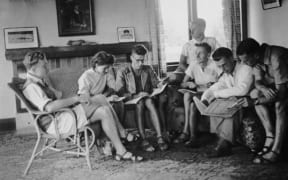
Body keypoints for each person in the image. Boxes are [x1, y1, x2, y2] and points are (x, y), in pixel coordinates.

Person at [22, 51, 142, 161]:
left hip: (63, 115)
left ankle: (121, 150)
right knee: (100, 99)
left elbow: (58, 96)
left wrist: (52, 89)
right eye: (44, 66)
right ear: (33, 68)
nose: (47, 68)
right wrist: (76, 98)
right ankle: (122, 135)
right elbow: (50, 107)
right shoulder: (31, 86)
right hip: (56, 123)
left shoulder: (39, 81)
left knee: (104, 110)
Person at [237, 38, 288, 164]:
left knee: (279, 105)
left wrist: (255, 102)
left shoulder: (276, 57)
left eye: (247, 61)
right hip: (281, 86)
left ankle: (276, 151)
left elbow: (281, 94)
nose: (246, 64)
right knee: (255, 93)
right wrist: (263, 88)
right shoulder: (257, 59)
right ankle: (270, 135)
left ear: (255, 55)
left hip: (284, 89)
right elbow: (258, 81)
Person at [198, 47, 253, 157]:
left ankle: (223, 145)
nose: (223, 69)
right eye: (219, 66)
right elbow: (218, 85)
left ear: (231, 58)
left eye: (224, 64)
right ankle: (221, 141)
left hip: (250, 102)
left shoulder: (245, 69)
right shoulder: (226, 72)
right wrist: (205, 97)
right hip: (236, 101)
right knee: (217, 103)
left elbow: (242, 90)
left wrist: (217, 94)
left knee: (231, 105)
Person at [116, 44, 169, 152]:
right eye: (137, 60)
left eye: (142, 60)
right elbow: (119, 92)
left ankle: (159, 137)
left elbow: (156, 83)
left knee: (149, 102)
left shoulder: (148, 69)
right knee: (140, 103)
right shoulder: (122, 71)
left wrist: (160, 84)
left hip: (146, 98)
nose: (140, 63)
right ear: (131, 58)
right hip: (131, 100)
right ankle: (144, 139)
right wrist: (136, 95)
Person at [77, 51, 138, 143]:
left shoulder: (105, 73)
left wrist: (123, 76)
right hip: (86, 105)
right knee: (107, 106)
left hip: (100, 101)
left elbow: (115, 87)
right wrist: (107, 98)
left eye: (109, 67)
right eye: (105, 67)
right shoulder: (86, 77)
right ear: (96, 64)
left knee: (119, 104)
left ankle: (117, 136)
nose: (107, 70)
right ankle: (121, 134)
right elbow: (85, 99)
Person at [173, 43, 221, 146]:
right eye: (195, 53)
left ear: (208, 54)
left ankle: (186, 132)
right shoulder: (194, 64)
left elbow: (224, 81)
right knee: (189, 99)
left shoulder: (215, 65)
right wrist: (188, 83)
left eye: (200, 53)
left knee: (189, 100)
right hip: (199, 94)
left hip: (212, 95)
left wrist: (215, 84)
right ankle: (193, 137)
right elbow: (182, 83)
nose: (197, 56)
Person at [168, 18, 221, 85]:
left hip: (208, 70)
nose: (191, 31)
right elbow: (181, 63)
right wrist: (192, 73)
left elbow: (221, 56)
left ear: (203, 28)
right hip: (190, 70)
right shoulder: (187, 45)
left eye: (194, 29)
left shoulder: (212, 41)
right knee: (172, 78)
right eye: (190, 29)